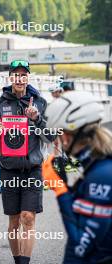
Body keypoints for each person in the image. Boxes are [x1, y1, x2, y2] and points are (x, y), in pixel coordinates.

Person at [0, 60, 55, 264]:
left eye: (23, 74)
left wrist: (37, 119)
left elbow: (50, 136)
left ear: (28, 78)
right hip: (9, 169)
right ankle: (18, 261)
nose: (19, 78)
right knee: (15, 220)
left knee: (28, 217)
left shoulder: (40, 103)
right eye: (15, 74)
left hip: (32, 169)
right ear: (10, 78)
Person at [42, 91, 112, 264]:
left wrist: (60, 189)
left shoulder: (101, 176)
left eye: (60, 133)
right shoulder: (97, 164)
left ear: (66, 136)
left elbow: (81, 243)